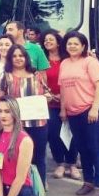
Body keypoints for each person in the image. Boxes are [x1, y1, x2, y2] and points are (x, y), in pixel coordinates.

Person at [60, 31, 99, 196]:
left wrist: (95, 108)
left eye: (76, 44)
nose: (72, 46)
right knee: (82, 149)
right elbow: (63, 88)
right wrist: (63, 109)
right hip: (73, 113)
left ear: (83, 46)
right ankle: (88, 182)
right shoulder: (64, 63)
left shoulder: (90, 62)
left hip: (90, 111)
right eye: (69, 43)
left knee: (94, 148)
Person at [0, 45, 52, 186]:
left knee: (39, 158)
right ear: (10, 58)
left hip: (38, 123)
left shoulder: (36, 75)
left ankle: (40, 191)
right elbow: (0, 100)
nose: (18, 58)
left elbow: (47, 93)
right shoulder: (5, 76)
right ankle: (20, 189)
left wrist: (48, 97)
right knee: (18, 158)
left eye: (21, 55)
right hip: (16, 125)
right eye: (14, 56)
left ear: (26, 58)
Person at [41, 30, 80, 180]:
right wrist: (49, 95)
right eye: (45, 40)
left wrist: (62, 96)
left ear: (58, 42)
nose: (47, 42)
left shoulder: (67, 59)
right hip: (50, 103)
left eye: (51, 39)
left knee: (71, 133)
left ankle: (72, 164)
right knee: (53, 133)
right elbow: (40, 81)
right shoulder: (42, 60)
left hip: (69, 100)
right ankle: (60, 163)